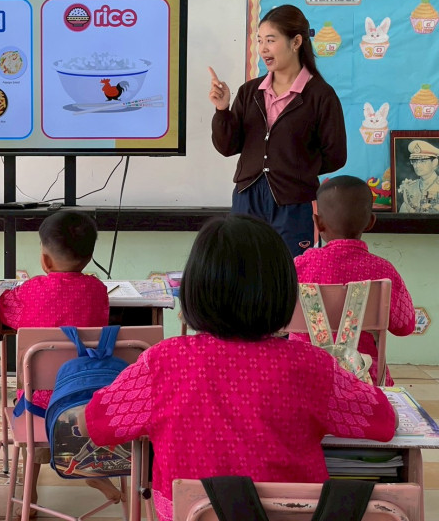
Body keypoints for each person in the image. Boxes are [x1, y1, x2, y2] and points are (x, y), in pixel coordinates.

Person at [83, 215, 396, 521]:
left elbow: (94, 424)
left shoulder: (162, 362)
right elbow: (383, 421)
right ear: (285, 290)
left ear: (193, 288)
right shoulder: (312, 365)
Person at [0, 210, 121, 505]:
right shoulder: (97, 290)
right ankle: (94, 469)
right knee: (73, 395)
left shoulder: (31, 291)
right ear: (88, 258)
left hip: (40, 402)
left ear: (45, 260)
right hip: (87, 396)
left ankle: (30, 490)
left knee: (34, 404)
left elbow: (6, 310)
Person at [209, 4, 347, 256]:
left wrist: (296, 170)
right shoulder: (249, 92)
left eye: (270, 40)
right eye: (260, 40)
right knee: (244, 270)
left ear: (296, 42)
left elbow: (336, 155)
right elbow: (227, 147)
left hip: (296, 203)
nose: (263, 49)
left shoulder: (321, 95)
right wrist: (222, 110)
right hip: (247, 197)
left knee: (294, 271)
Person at [293, 175, 415, 385]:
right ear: (370, 222)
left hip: (305, 379)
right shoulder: (384, 270)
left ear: (318, 222)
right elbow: (405, 326)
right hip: (365, 380)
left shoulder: (298, 267)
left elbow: (274, 321)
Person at [398, 139, 439, 213]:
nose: (417, 166)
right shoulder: (409, 188)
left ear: (434, 163)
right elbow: (403, 215)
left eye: (423, 161)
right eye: (414, 161)